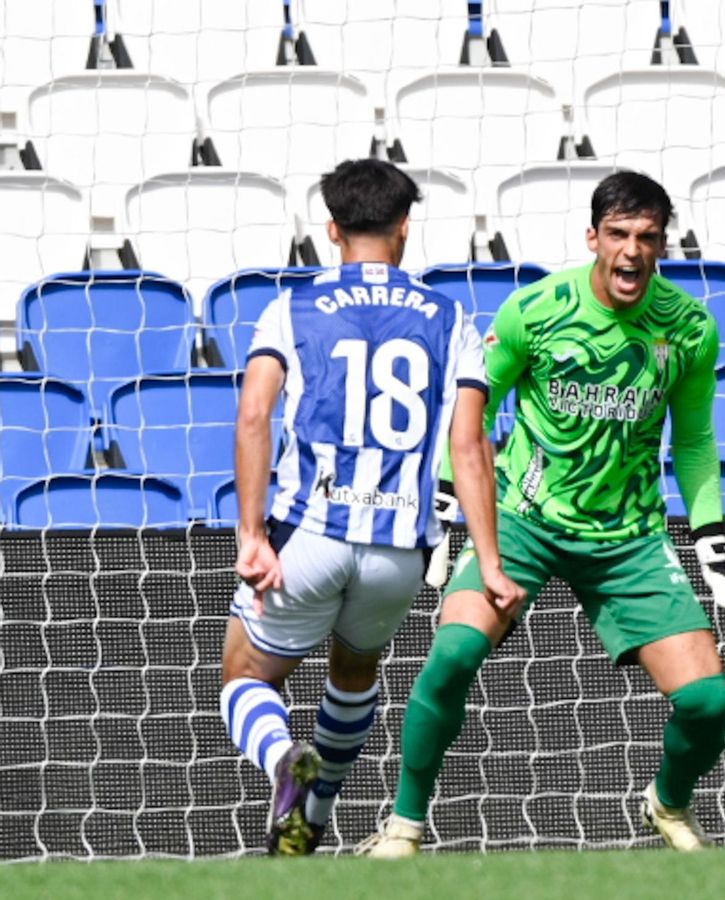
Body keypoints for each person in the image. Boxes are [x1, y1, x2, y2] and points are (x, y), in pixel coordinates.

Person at [359, 171, 725, 858]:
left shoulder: (689, 329)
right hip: (522, 516)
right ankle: (403, 826)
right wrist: (448, 504)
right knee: (452, 654)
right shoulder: (535, 310)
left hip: (628, 535)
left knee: (707, 703)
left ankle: (666, 804)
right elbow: (473, 410)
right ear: (593, 237)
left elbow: (693, 439)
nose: (632, 252)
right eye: (619, 235)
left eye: (647, 238)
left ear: (663, 243)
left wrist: (713, 546)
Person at [222, 158, 520, 856]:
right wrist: (492, 560)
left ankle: (282, 766)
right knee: (353, 672)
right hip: (399, 549)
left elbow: (253, 417)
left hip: (310, 534)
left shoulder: (291, 308)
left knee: (244, 674)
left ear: (331, 227)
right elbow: (471, 445)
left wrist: (251, 534)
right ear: (405, 228)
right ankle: (315, 814)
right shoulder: (450, 317)